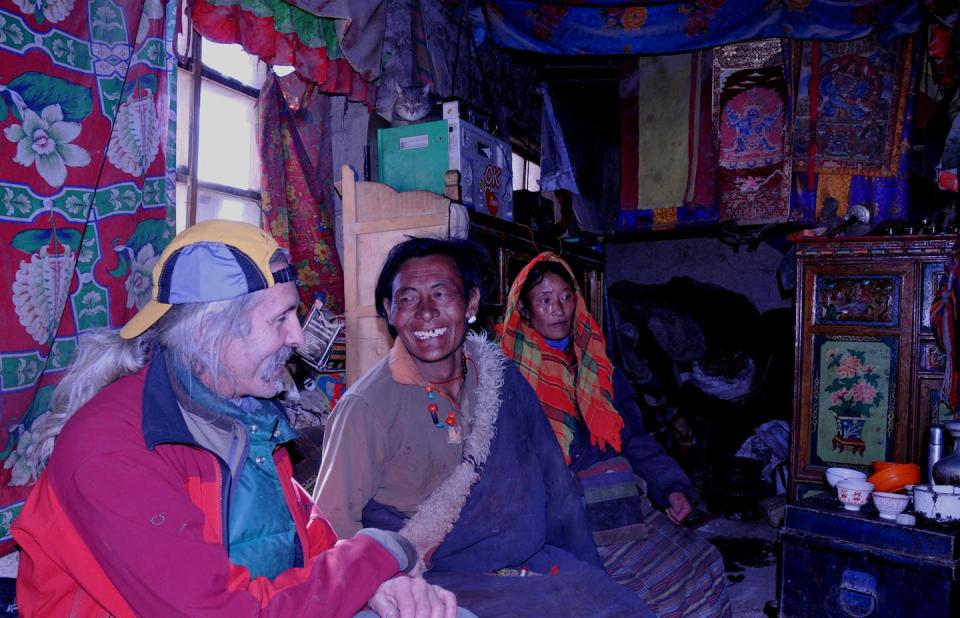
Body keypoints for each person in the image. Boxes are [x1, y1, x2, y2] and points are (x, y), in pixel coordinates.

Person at [12, 220, 457, 618]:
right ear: (210, 330)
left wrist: (376, 584)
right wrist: (378, 554)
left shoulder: (242, 416)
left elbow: (306, 541)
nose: (297, 336)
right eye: (280, 318)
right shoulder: (114, 451)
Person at [314, 237, 652, 617]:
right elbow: (330, 525)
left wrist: (591, 571)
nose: (426, 312)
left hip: (527, 562)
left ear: (471, 303)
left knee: (621, 608)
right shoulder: (366, 406)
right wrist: (386, 587)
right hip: (433, 579)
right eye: (407, 299)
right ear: (389, 311)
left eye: (442, 294)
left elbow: (556, 487)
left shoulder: (501, 378)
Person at [500, 251, 732, 618]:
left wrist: (669, 485)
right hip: (564, 514)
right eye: (545, 300)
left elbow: (633, 437)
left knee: (704, 560)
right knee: (649, 592)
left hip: (619, 498)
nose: (559, 308)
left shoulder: (598, 364)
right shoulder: (509, 376)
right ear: (525, 311)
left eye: (566, 296)